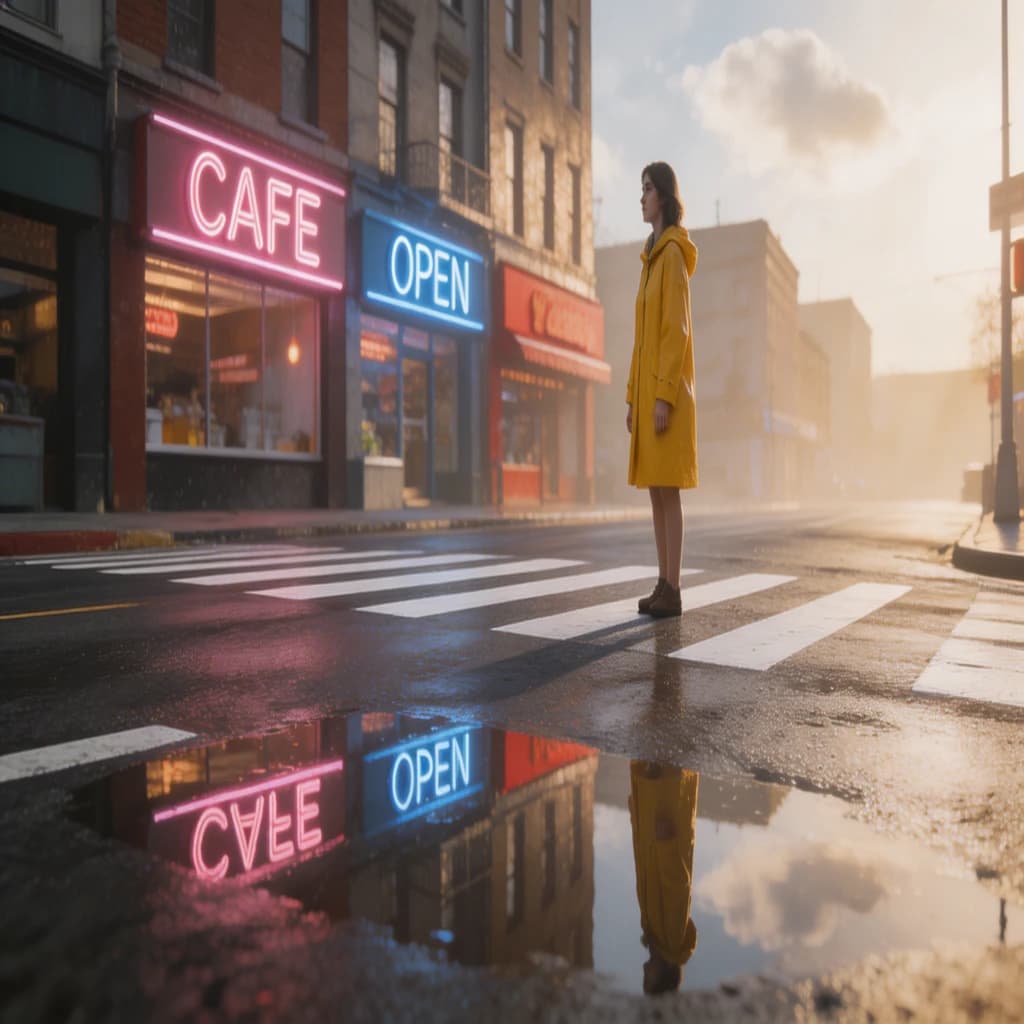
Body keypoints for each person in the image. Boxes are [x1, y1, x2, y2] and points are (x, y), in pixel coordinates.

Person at [626, 162, 699, 618]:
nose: (642, 197)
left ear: (665, 197)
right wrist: (633, 397)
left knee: (667, 490)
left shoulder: (671, 255)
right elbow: (641, 340)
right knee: (656, 489)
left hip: (667, 395)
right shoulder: (651, 258)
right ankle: (662, 581)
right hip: (649, 393)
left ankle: (674, 587)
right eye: (641, 189)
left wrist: (662, 395)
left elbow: (677, 331)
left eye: (648, 189)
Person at [628, 760, 699, 995]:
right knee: (668, 761)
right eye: (648, 981)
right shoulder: (672, 940)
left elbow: (644, 868)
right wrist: (666, 844)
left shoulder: (654, 936)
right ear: (664, 978)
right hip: (665, 825)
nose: (644, 972)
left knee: (655, 751)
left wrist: (636, 818)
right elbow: (678, 886)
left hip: (652, 822)